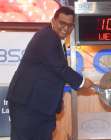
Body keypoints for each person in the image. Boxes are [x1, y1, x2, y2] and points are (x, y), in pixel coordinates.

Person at [7, 6, 94, 140]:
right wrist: (82, 82)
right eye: (62, 23)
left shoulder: (54, 39)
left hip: (38, 106)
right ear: (53, 20)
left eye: (70, 26)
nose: (65, 28)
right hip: (28, 105)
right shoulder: (48, 37)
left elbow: (52, 74)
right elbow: (60, 68)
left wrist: (57, 103)